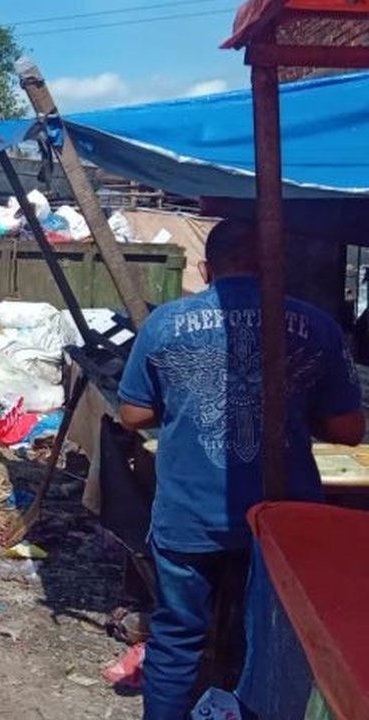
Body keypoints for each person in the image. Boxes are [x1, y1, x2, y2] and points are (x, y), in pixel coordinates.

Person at [118, 219, 364, 720]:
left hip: (190, 513)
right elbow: (348, 428)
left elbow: (132, 414)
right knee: (271, 643)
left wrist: (184, 399)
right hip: (282, 517)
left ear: (207, 269)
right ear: (275, 265)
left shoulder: (164, 324)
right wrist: (302, 405)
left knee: (176, 637)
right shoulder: (316, 325)